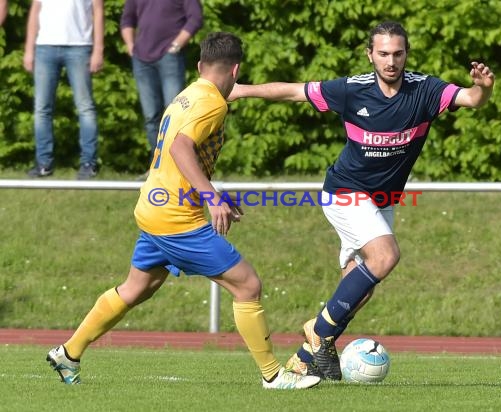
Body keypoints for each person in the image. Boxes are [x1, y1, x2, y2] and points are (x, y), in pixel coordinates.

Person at [45, 32, 321, 390]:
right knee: (247, 285)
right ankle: (273, 375)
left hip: (152, 207)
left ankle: (69, 353)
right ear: (236, 69)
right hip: (176, 219)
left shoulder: (190, 95)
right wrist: (212, 198)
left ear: (200, 65)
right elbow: (180, 148)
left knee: (136, 288)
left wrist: (211, 193)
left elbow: (236, 99)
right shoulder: (213, 104)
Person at [229, 21, 495, 380]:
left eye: (397, 53)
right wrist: (239, 89)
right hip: (344, 192)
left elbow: (472, 99)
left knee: (359, 288)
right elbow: (293, 91)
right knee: (385, 256)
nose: (391, 61)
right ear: (370, 54)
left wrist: (483, 88)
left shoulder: (426, 90)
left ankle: (306, 357)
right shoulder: (351, 90)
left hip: (381, 200)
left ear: (406, 55)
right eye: (383, 53)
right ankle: (319, 332)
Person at [23, 0, 104, 179]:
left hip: (80, 46)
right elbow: (35, 11)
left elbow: (98, 11)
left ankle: (88, 163)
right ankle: (44, 163)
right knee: (42, 108)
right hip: (45, 46)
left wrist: (98, 49)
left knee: (85, 108)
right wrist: (29, 49)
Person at [120, 0, 203, 168]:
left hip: (170, 57)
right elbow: (127, 20)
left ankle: (180, 167)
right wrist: (130, 46)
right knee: (151, 117)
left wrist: (177, 44)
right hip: (141, 59)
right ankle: (157, 167)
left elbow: (195, 18)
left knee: (175, 115)